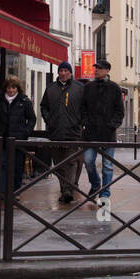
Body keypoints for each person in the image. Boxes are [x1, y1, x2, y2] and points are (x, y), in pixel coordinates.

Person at [80, 60, 125, 205]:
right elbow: (83, 108)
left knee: (107, 166)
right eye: (96, 68)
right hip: (90, 133)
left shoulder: (115, 88)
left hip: (108, 133)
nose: (96, 70)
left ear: (107, 70)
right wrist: (85, 122)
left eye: (99, 68)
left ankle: (105, 194)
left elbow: (120, 111)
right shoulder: (88, 87)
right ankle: (95, 184)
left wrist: (112, 126)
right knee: (88, 161)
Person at [40, 62, 85, 204]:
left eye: (66, 70)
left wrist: (80, 121)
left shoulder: (79, 88)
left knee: (71, 162)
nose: (63, 73)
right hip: (55, 132)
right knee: (58, 163)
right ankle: (65, 188)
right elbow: (44, 107)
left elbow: (85, 107)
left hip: (73, 132)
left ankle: (68, 191)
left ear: (70, 72)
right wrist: (49, 120)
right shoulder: (51, 88)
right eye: (61, 70)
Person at [0, 76, 37, 192]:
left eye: (13, 88)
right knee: (2, 165)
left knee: (17, 166)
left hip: (18, 140)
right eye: (9, 88)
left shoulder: (24, 101)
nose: (11, 90)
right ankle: (3, 191)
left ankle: (15, 191)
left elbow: (32, 119)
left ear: (17, 88)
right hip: (2, 140)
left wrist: (25, 132)